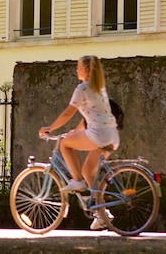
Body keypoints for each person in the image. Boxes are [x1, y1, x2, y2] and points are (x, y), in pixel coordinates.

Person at [38, 55, 119, 230]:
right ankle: (102, 214)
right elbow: (90, 116)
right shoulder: (99, 88)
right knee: (88, 171)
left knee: (64, 144)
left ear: (86, 70)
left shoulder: (82, 88)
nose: (76, 70)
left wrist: (50, 128)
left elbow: (68, 113)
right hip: (112, 136)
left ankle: (76, 181)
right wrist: (76, 132)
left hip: (99, 134)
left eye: (79, 67)